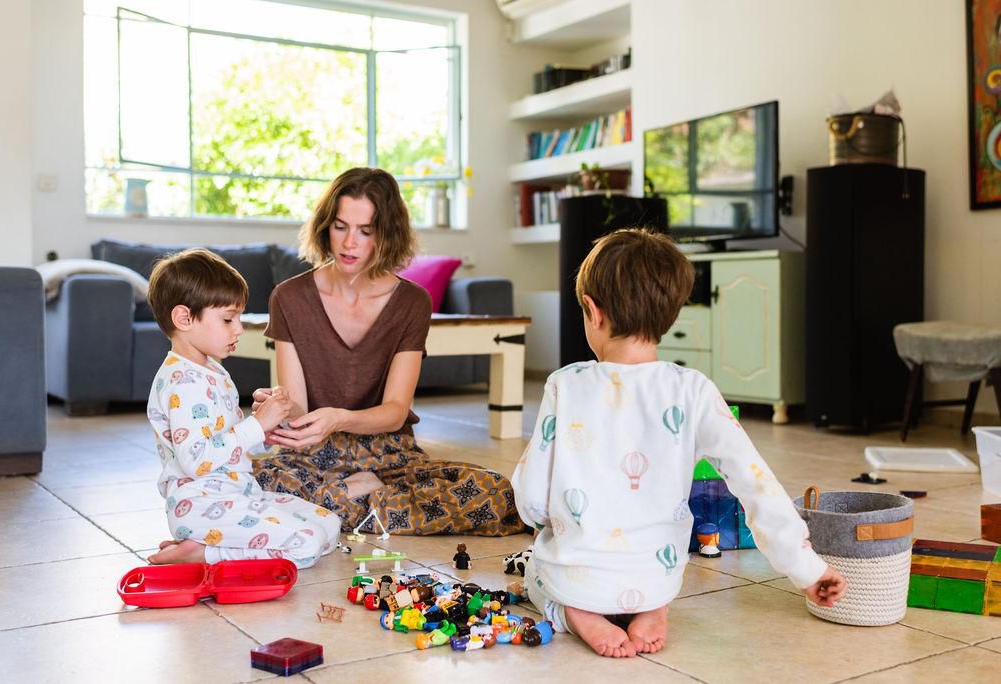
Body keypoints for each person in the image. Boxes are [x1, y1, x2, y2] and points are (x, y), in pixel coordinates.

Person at [511, 229, 847, 658]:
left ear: (592, 312)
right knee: (653, 561)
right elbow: (753, 480)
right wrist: (806, 568)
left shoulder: (565, 384)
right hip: (657, 572)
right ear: (669, 315)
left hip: (577, 572)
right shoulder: (694, 389)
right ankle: (652, 608)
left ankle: (577, 613)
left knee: (535, 568)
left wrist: (537, 518)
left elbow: (533, 491)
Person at [251, 167, 524, 537]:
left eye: (366, 231)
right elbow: (299, 409)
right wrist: (280, 408)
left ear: (388, 234)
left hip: (388, 453)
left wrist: (338, 417)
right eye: (341, 226)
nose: (350, 243)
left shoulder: (411, 301)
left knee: (495, 492)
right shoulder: (288, 297)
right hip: (314, 455)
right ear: (325, 226)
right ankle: (365, 499)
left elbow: (395, 412)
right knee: (244, 482)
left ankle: (326, 509)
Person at [144, 248, 341, 568]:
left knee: (329, 525)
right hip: (201, 506)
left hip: (239, 494)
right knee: (305, 545)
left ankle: (203, 546)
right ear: (184, 318)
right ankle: (204, 552)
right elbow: (196, 461)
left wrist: (270, 427)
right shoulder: (181, 381)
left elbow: (231, 444)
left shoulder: (214, 371)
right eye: (227, 319)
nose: (238, 328)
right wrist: (255, 426)